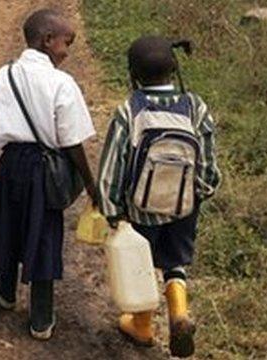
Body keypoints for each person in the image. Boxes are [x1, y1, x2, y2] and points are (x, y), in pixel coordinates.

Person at [0, 8, 98, 340]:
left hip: (11, 164)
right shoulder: (61, 83)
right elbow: (72, 141)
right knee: (42, 234)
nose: (67, 52)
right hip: (43, 168)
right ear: (47, 40)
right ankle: (41, 317)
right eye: (66, 43)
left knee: (7, 225)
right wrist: (90, 182)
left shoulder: (5, 74)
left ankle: (6, 291)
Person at [97, 35, 221, 357]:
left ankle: (142, 327)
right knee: (175, 261)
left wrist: (113, 211)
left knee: (142, 265)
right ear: (174, 69)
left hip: (140, 210)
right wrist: (197, 195)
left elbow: (113, 166)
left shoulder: (129, 111)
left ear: (133, 74)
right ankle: (179, 313)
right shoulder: (195, 107)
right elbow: (208, 168)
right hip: (183, 207)